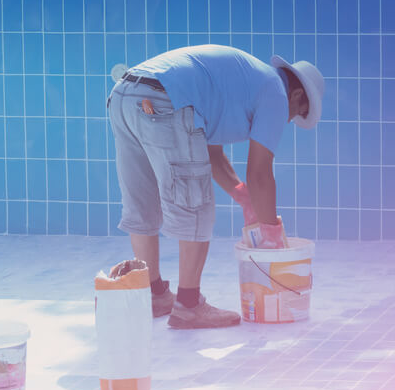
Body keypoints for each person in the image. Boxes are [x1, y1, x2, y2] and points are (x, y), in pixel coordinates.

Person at [107, 44, 325, 329]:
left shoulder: (243, 81)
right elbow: (260, 173)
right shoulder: (276, 92)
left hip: (125, 94)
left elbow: (211, 154)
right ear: (296, 94)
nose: (289, 119)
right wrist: (271, 233)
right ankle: (188, 305)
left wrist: (243, 197)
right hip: (164, 98)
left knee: (142, 201)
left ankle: (152, 294)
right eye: (298, 112)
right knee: (198, 206)